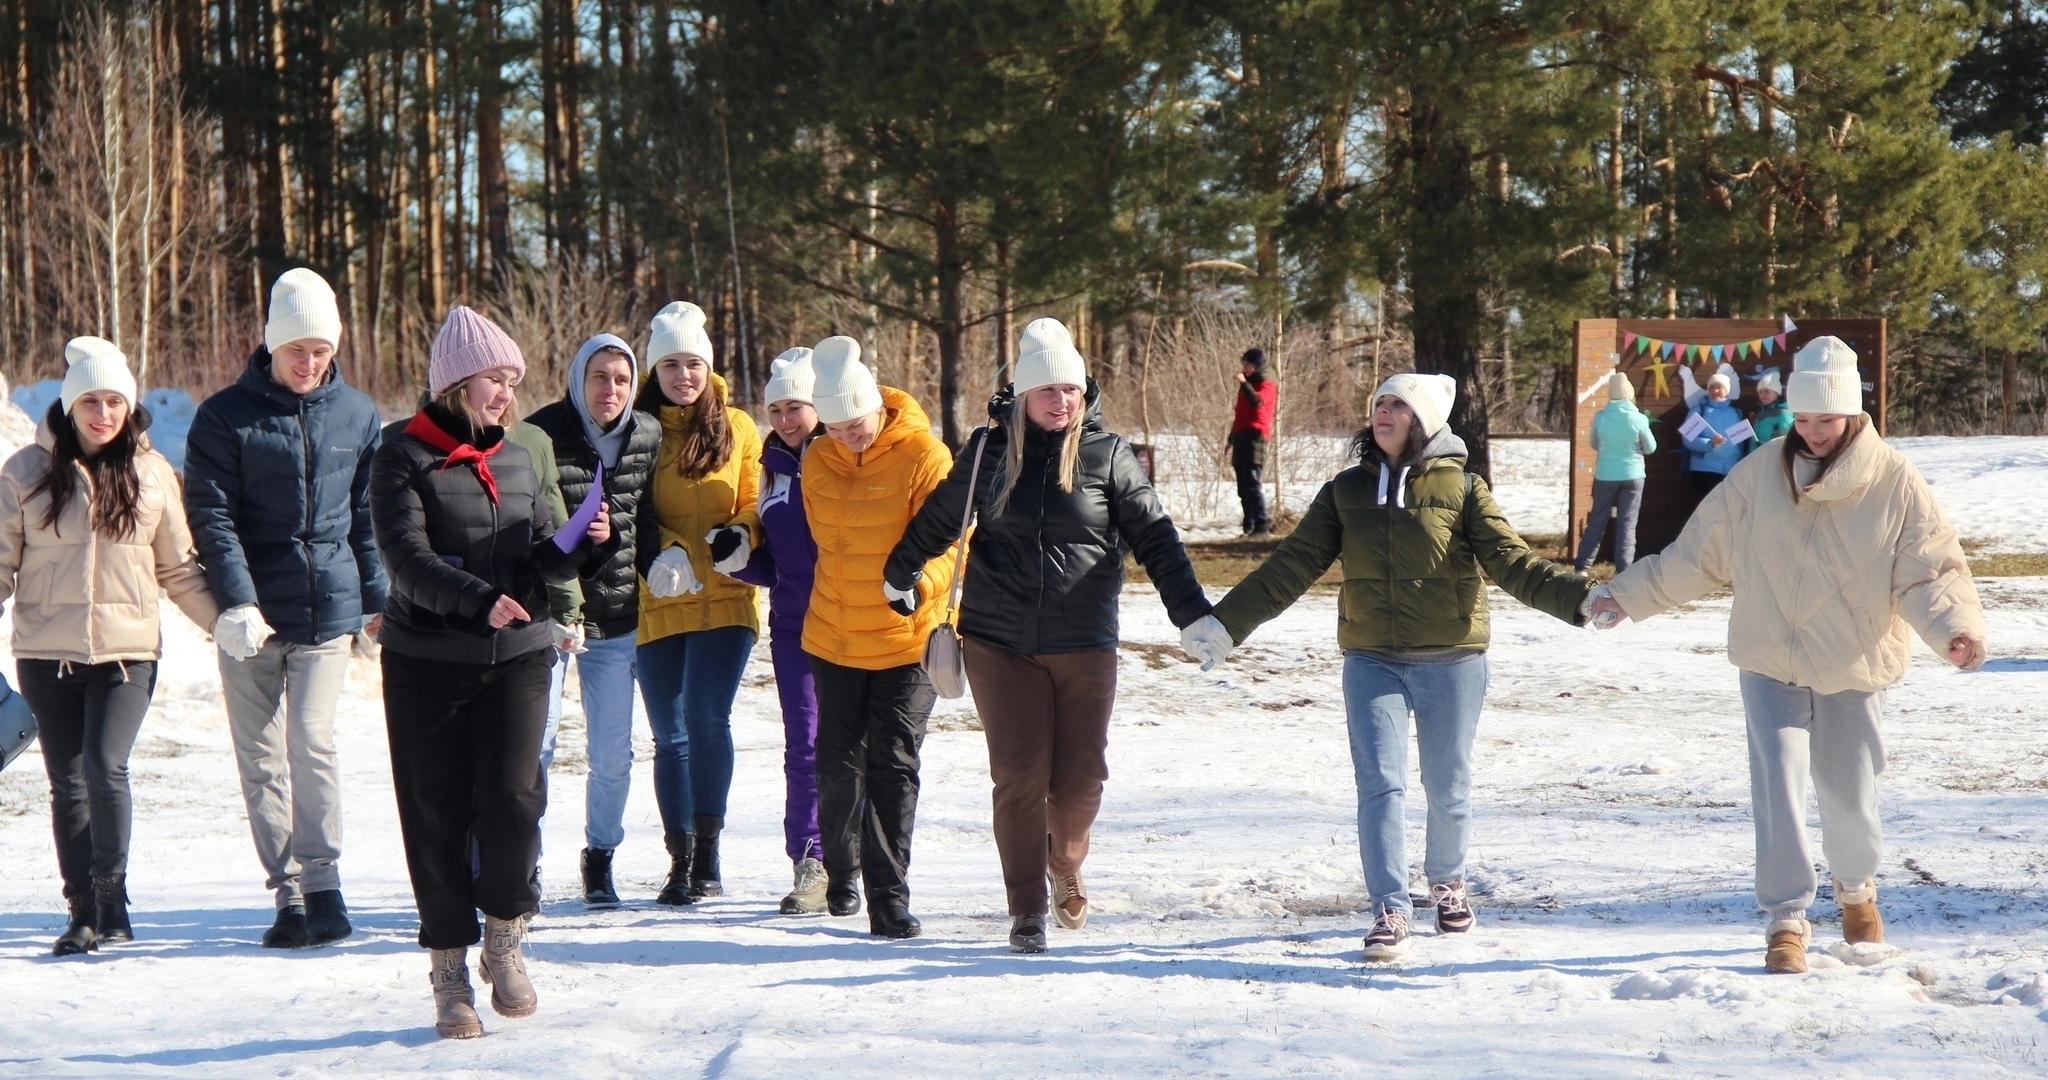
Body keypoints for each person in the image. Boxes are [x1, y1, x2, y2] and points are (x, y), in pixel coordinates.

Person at [1588, 336, 1986, 975]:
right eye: (1802, 420)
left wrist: (1954, 628)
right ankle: (1786, 919)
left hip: (1854, 662)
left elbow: (1930, 571)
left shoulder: (1896, 482)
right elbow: (1698, 555)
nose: (1812, 432)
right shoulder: (1760, 472)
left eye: (1825, 420)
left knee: (1849, 795)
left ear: (1853, 414)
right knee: (1777, 786)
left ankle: (1857, 892)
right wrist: (1628, 596)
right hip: (1769, 656)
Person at [1189, 372, 1591, 962]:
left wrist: (1579, 599)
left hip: (1452, 656)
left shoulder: (1463, 488)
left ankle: (1448, 885)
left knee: (1447, 785)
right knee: (1379, 783)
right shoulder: (1345, 491)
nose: (1384, 412)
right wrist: (1226, 625)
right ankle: (1390, 906)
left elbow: (1512, 560)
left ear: (1423, 419)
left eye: (1399, 404)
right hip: (1371, 656)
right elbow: (1293, 565)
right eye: (1379, 402)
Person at [884, 319, 1210, 954]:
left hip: (1085, 642)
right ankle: (1026, 907)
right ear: (1022, 394)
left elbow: (1157, 539)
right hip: (998, 642)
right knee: (1019, 775)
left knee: (1082, 778)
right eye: (1047, 390)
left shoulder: (1108, 455)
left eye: (1071, 389)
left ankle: (1066, 862)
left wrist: (1192, 613)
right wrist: (900, 572)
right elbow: (938, 520)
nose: (1061, 401)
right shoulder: (986, 452)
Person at [371, 306, 609, 1038]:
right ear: (454, 382)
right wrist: (480, 601)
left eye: (513, 381)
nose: (507, 393)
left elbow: (542, 548)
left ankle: (504, 938)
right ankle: (448, 970)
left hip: (519, 658)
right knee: (436, 813)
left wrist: (588, 541)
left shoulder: (516, 453)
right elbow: (405, 559)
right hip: (427, 665)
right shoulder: (397, 455)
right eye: (494, 379)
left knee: (513, 801)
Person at [184, 268, 387, 949]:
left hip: (328, 609)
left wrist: (378, 600)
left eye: (320, 350)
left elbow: (365, 517)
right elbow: (212, 517)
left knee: (312, 739)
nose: (308, 362)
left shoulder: (358, 416)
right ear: (271, 344)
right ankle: (289, 891)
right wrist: (236, 602)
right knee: (261, 755)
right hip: (251, 619)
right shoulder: (223, 418)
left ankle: (325, 881)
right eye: (296, 348)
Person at [0, 337, 220, 956]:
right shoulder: (24, 473)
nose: (102, 414)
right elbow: (0, 565)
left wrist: (223, 625)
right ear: (70, 406)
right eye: (90, 401)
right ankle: (82, 911)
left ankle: (112, 897)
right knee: (66, 780)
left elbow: (178, 569)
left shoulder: (152, 475)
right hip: (48, 654)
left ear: (130, 407)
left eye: (114, 401)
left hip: (127, 656)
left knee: (105, 765)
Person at [802, 336, 956, 939]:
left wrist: (917, 585)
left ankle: (889, 898)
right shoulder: (818, 459)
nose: (847, 436)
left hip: (905, 637)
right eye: (834, 427)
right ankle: (842, 870)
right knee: (837, 767)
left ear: (877, 405)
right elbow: (825, 545)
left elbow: (951, 544)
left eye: (856, 423)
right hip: (835, 637)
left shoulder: (924, 454)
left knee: (893, 765)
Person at [632, 301, 762, 905]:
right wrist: (669, 548)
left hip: (726, 599)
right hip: (660, 596)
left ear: (709, 368)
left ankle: (708, 853)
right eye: (670, 364)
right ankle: (678, 860)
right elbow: (625, 506)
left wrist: (741, 533)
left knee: (708, 721)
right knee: (670, 736)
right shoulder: (638, 432)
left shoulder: (737, 427)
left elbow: (755, 499)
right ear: (653, 371)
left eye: (693, 364)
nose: (683, 375)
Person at [527, 333, 662, 909]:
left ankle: (600, 856)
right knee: (538, 747)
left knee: (612, 753)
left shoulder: (648, 436)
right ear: (578, 379)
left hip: (617, 617)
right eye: (599, 377)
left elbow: (651, 515)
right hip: (549, 617)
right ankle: (522, 863)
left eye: (622, 379)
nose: (611, 389)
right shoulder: (538, 435)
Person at [728, 347, 831, 914]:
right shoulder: (770, 466)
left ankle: (858, 854)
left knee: (853, 745)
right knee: (804, 746)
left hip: (850, 622)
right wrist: (737, 561)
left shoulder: (841, 456)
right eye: (777, 408)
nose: (786, 419)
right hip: (792, 625)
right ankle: (810, 860)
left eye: (797, 406)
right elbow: (783, 567)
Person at [1574, 370, 1656, 574]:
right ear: (1630, 393)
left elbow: (1593, 443)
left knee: (1597, 521)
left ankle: (1583, 566)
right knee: (1627, 523)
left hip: (1605, 474)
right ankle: (1624, 570)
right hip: (1633, 474)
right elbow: (1651, 448)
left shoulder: (1600, 417)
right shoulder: (1638, 419)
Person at [1229, 347, 1277, 536]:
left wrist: (1243, 383)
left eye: (1248, 365)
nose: (1245, 368)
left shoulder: (1267, 383)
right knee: (1242, 486)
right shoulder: (1247, 385)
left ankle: (1261, 526)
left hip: (1255, 437)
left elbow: (1257, 402)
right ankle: (1248, 526)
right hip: (1241, 436)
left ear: (1256, 366)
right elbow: (1240, 415)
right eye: (1244, 365)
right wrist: (1231, 439)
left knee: (1252, 483)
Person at [1682, 370, 1746, 495]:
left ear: (1726, 391)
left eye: (1719, 387)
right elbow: (1687, 439)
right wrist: (1710, 444)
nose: (1715, 391)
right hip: (1705, 470)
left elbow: (1740, 443)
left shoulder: (1736, 413)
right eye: (1712, 387)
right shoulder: (1699, 410)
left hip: (1731, 471)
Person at [1748, 368, 1792, 450]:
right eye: (1760, 392)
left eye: (1767, 391)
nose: (1763, 395)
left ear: (1776, 392)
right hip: (1757, 459)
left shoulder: (1783, 414)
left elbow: (1791, 441)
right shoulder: (1761, 413)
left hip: (1773, 460)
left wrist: (1768, 448)